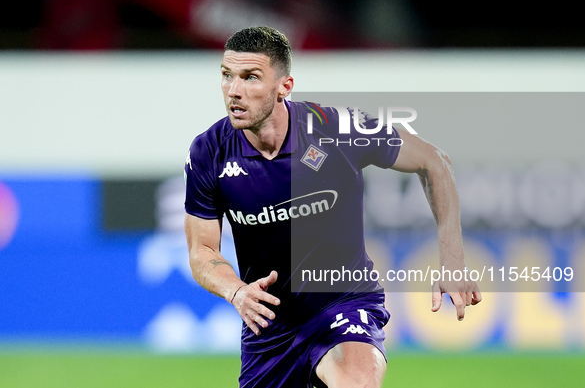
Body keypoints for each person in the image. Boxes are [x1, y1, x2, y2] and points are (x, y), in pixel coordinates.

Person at [184, 26, 482, 388]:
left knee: (353, 380)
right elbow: (201, 251)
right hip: (270, 327)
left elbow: (434, 161)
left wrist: (453, 261)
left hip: (343, 302)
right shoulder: (209, 152)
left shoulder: (336, 129)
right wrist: (237, 291)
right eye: (227, 76)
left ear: (284, 87)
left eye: (251, 78)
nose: (234, 90)